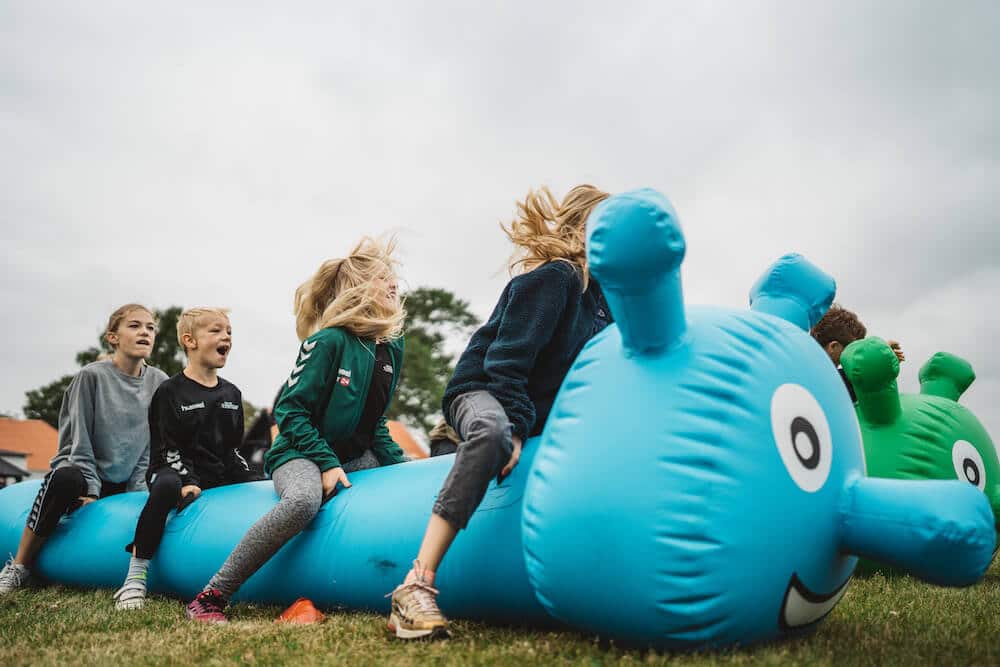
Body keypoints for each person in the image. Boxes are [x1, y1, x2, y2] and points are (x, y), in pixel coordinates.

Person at [386, 184, 614, 639]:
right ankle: (415, 584)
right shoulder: (560, 277)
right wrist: (514, 429)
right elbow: (506, 362)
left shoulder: (607, 306)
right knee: (490, 434)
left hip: (533, 413)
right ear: (586, 229)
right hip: (483, 391)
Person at [185, 237, 408, 623]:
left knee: (393, 488)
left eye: (394, 278)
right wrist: (324, 462)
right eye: (384, 278)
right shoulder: (328, 342)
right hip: (299, 453)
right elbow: (289, 412)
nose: (394, 285)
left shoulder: (392, 346)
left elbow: (375, 425)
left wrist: (403, 470)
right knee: (304, 502)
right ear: (359, 288)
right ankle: (212, 595)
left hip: (353, 457)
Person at [0, 304, 168, 594]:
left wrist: (136, 491)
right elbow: (79, 441)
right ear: (113, 337)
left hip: (126, 479)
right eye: (135, 325)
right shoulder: (91, 377)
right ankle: (19, 567)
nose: (145, 332)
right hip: (80, 472)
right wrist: (90, 491)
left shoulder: (160, 382)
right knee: (65, 478)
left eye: (150, 327)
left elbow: (150, 444)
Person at [114, 308, 260, 610]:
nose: (226, 338)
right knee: (167, 484)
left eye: (229, 332)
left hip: (215, 474)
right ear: (189, 340)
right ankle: (135, 577)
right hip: (170, 469)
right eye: (216, 331)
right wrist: (188, 482)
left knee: (259, 481)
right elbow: (169, 448)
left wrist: (256, 480)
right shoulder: (170, 392)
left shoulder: (232, 393)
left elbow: (233, 452)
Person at [810, 304, 904, 402]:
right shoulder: (830, 382)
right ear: (834, 347)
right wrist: (878, 358)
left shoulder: (801, 367)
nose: (855, 356)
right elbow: (857, 382)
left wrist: (880, 361)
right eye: (853, 350)